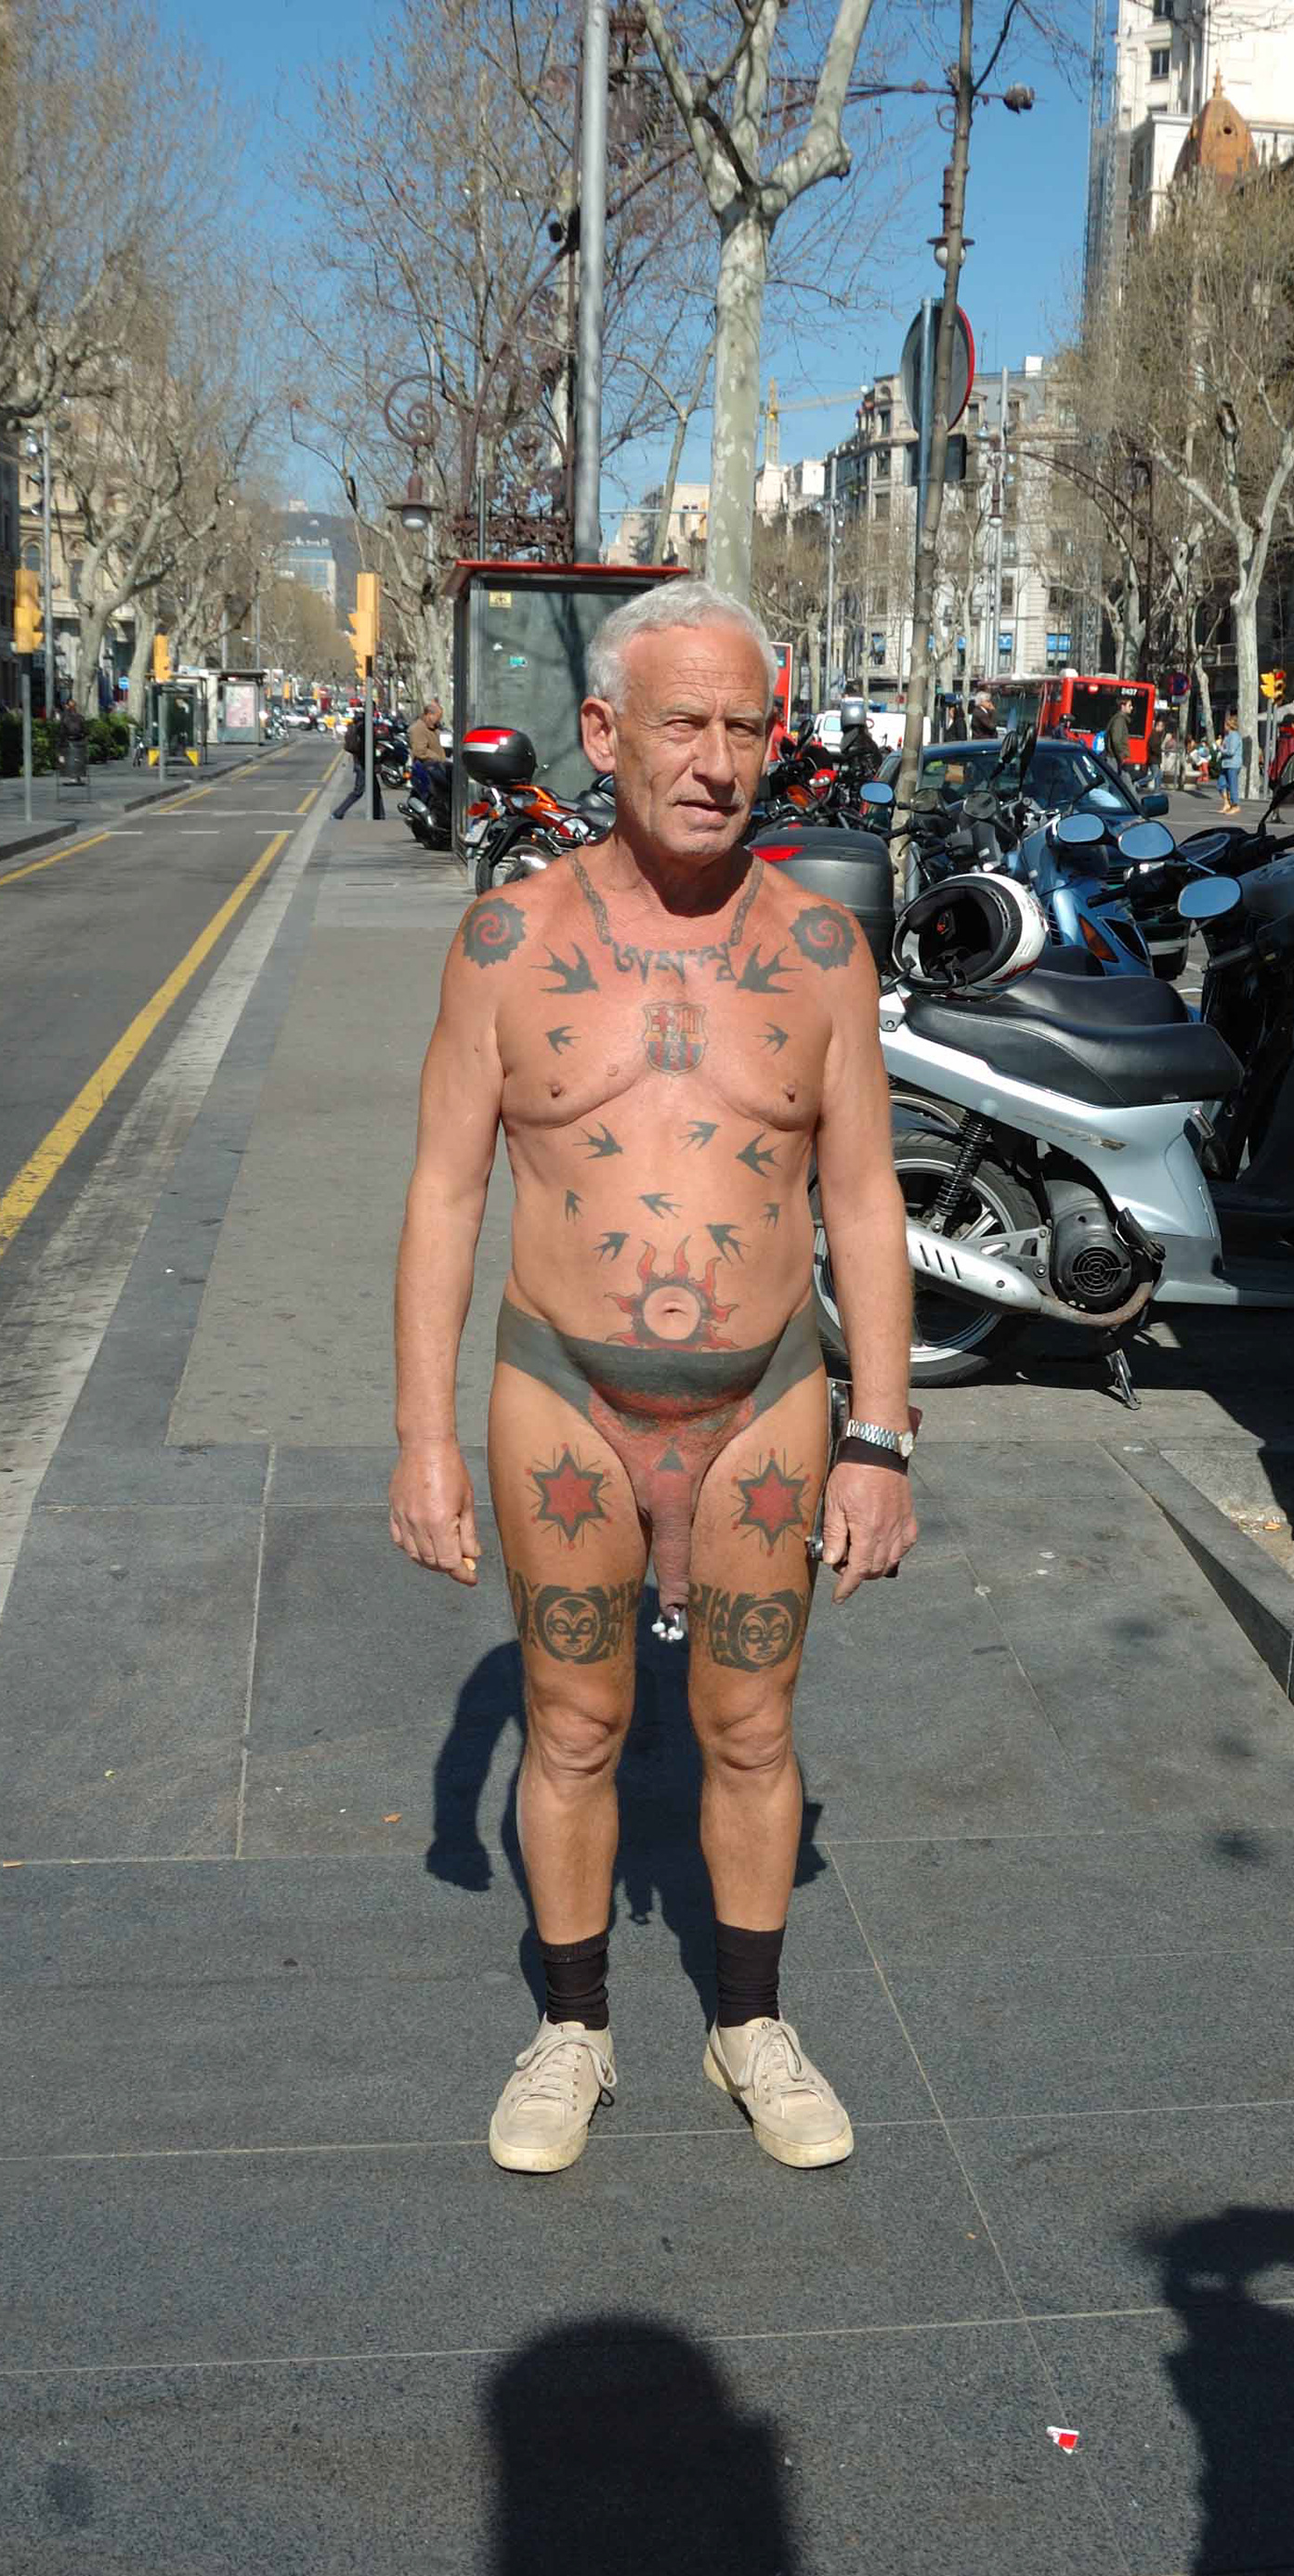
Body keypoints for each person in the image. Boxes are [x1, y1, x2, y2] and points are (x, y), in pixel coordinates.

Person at [389, 581, 919, 2179]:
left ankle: (749, 2021)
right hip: (562, 1389)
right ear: (604, 731)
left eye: (746, 727)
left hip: (768, 1398)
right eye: (683, 724)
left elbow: (863, 1200)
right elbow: (445, 1196)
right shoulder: (505, 942)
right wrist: (423, 1440)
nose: (717, 761)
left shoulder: (822, 950)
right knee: (572, 1723)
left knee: (752, 1726)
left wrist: (882, 1438)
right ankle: (573, 2029)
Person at [332, 709, 384, 821]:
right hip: (364, 764)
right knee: (359, 791)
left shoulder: (357, 726)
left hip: (360, 763)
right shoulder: (366, 728)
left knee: (375, 791)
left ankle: (379, 816)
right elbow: (368, 748)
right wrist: (376, 763)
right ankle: (338, 813)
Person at [1268, 712, 1294, 822]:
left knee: (1278, 792)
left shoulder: (1282, 735)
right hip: (1290, 768)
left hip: (1279, 767)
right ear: (1293, 724)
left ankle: (1275, 814)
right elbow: (1293, 752)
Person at [1217, 709, 1244, 814]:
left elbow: (1231, 751)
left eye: (1226, 724)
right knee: (1221, 784)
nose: (1224, 726)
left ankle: (1235, 805)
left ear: (1230, 725)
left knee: (1232, 785)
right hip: (1225, 764)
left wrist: (1221, 749)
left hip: (1233, 764)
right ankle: (1227, 803)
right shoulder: (1227, 735)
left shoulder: (1234, 736)